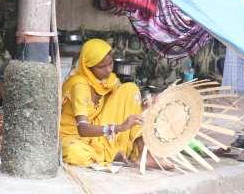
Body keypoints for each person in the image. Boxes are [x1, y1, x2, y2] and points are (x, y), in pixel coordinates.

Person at [60, 38, 166, 168]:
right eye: (101, 67)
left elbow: (126, 101)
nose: (108, 70)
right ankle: (112, 154)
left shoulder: (108, 81)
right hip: (74, 135)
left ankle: (144, 152)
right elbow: (82, 129)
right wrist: (119, 128)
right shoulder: (79, 85)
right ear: (88, 67)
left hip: (97, 131)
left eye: (110, 64)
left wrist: (145, 104)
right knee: (75, 153)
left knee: (130, 89)